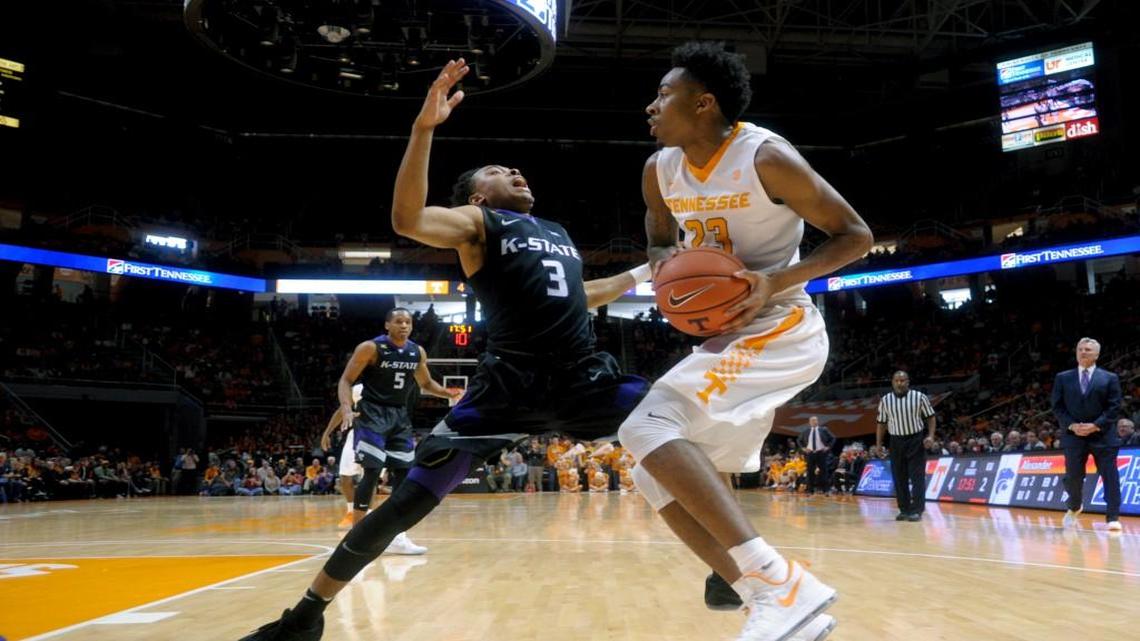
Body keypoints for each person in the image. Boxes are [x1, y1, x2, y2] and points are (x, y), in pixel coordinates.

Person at [238, 58, 651, 641]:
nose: (515, 169)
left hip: (582, 377)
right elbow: (407, 219)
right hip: (506, 387)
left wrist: (649, 266)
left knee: (681, 418)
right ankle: (304, 615)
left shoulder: (558, 233)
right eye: (498, 170)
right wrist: (424, 128)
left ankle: (738, 570)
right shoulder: (478, 224)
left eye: (515, 167)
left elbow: (586, 294)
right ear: (478, 195)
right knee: (406, 504)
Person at [618, 41, 873, 641]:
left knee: (644, 427)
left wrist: (771, 282)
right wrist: (665, 272)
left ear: (704, 104)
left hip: (782, 322)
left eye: (664, 95)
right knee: (650, 470)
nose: (651, 106)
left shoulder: (765, 157)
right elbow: (659, 238)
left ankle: (781, 582)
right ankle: (765, 597)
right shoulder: (659, 170)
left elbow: (855, 235)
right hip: (726, 335)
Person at [331, 307, 459, 555]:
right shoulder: (370, 348)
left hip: (399, 416)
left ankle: (397, 535)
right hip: (372, 414)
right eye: (398, 321)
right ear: (387, 325)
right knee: (372, 470)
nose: (404, 325)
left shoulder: (416, 351)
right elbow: (345, 380)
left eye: (408, 322)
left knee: (404, 474)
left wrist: (448, 393)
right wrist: (347, 408)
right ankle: (358, 537)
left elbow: (425, 384)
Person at [1051, 338, 1123, 531]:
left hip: (1103, 435)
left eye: (1088, 350)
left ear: (1097, 355)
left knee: (1110, 476)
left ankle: (1113, 517)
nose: (1083, 352)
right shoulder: (1063, 377)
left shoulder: (1109, 378)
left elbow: (1114, 407)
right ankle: (1074, 506)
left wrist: (1096, 425)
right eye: (1080, 349)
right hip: (1074, 435)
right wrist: (1072, 425)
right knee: (1073, 477)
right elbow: (1057, 407)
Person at [876, 371, 936, 522]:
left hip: (915, 439)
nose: (900, 383)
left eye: (903, 380)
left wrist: (930, 435)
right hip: (895, 441)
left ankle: (917, 510)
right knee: (899, 477)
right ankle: (904, 509)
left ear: (908, 382)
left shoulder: (919, 397)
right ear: (893, 382)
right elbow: (881, 423)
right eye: (897, 380)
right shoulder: (885, 400)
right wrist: (878, 444)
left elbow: (931, 417)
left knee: (917, 477)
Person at [320, 384, 365, 529]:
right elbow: (341, 411)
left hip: (378, 434)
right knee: (344, 476)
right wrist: (327, 432)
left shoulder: (387, 386)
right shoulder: (358, 388)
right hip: (356, 434)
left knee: (369, 478)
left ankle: (366, 514)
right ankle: (351, 512)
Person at [796, 416, 835, 495]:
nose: (814, 421)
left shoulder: (823, 430)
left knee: (824, 472)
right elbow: (798, 440)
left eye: (816, 420)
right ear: (809, 422)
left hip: (821, 452)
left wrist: (828, 447)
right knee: (810, 472)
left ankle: (826, 490)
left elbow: (833, 438)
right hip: (810, 453)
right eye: (812, 420)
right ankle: (810, 490)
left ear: (817, 421)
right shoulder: (806, 431)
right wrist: (803, 448)